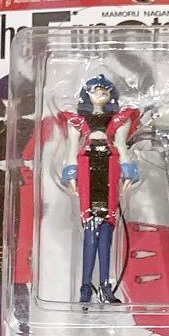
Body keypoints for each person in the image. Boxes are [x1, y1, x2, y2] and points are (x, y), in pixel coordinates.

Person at [59, 75, 140, 304]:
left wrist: (128, 173)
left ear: (110, 96)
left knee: (106, 228)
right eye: (95, 91)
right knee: (90, 229)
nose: (100, 95)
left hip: (110, 164)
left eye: (104, 92)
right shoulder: (76, 120)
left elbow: (122, 147)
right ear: (87, 94)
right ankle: (85, 287)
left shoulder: (118, 119)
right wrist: (71, 175)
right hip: (87, 165)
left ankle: (105, 286)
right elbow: (71, 150)